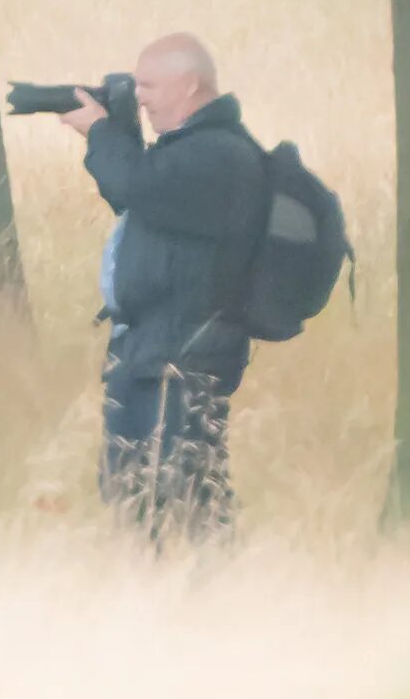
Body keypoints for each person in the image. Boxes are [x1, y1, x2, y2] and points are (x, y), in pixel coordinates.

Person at [58, 33, 266, 544]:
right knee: (129, 488)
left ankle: (213, 595)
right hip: (149, 347)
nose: (141, 96)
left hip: (185, 353)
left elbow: (137, 188)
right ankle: (149, 597)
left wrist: (103, 134)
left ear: (190, 84)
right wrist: (116, 136)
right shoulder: (183, 154)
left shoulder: (218, 154)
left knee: (186, 487)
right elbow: (141, 201)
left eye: (148, 85)